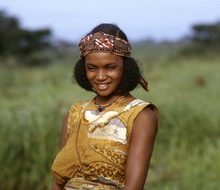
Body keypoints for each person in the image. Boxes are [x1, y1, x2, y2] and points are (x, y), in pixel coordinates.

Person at [51, 23, 159, 190]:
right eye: (92, 68)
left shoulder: (140, 115)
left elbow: (134, 187)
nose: (100, 76)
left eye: (110, 67)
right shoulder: (74, 114)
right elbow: (59, 180)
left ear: (125, 67)